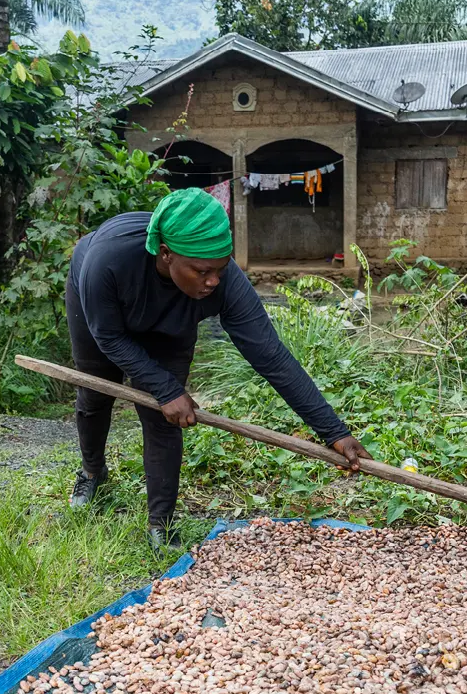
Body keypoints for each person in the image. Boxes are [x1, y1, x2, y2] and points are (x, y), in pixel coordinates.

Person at [66, 187, 370, 549]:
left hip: (172, 320)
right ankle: (92, 471)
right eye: (203, 271)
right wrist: (164, 388)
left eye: (221, 269)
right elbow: (110, 337)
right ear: (166, 254)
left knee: (165, 417)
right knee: (96, 393)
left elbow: (270, 355)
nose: (214, 281)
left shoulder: (222, 282)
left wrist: (333, 431)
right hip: (103, 317)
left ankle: (159, 526)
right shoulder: (108, 260)